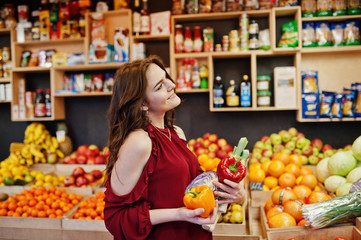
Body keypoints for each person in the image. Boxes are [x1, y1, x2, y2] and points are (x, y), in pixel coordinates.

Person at [104, 55, 245, 240]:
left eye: (166, 78)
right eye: (159, 86)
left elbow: (195, 190)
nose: (171, 85)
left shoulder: (176, 133)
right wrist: (179, 214)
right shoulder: (139, 142)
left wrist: (234, 195)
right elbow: (115, 218)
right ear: (143, 104)